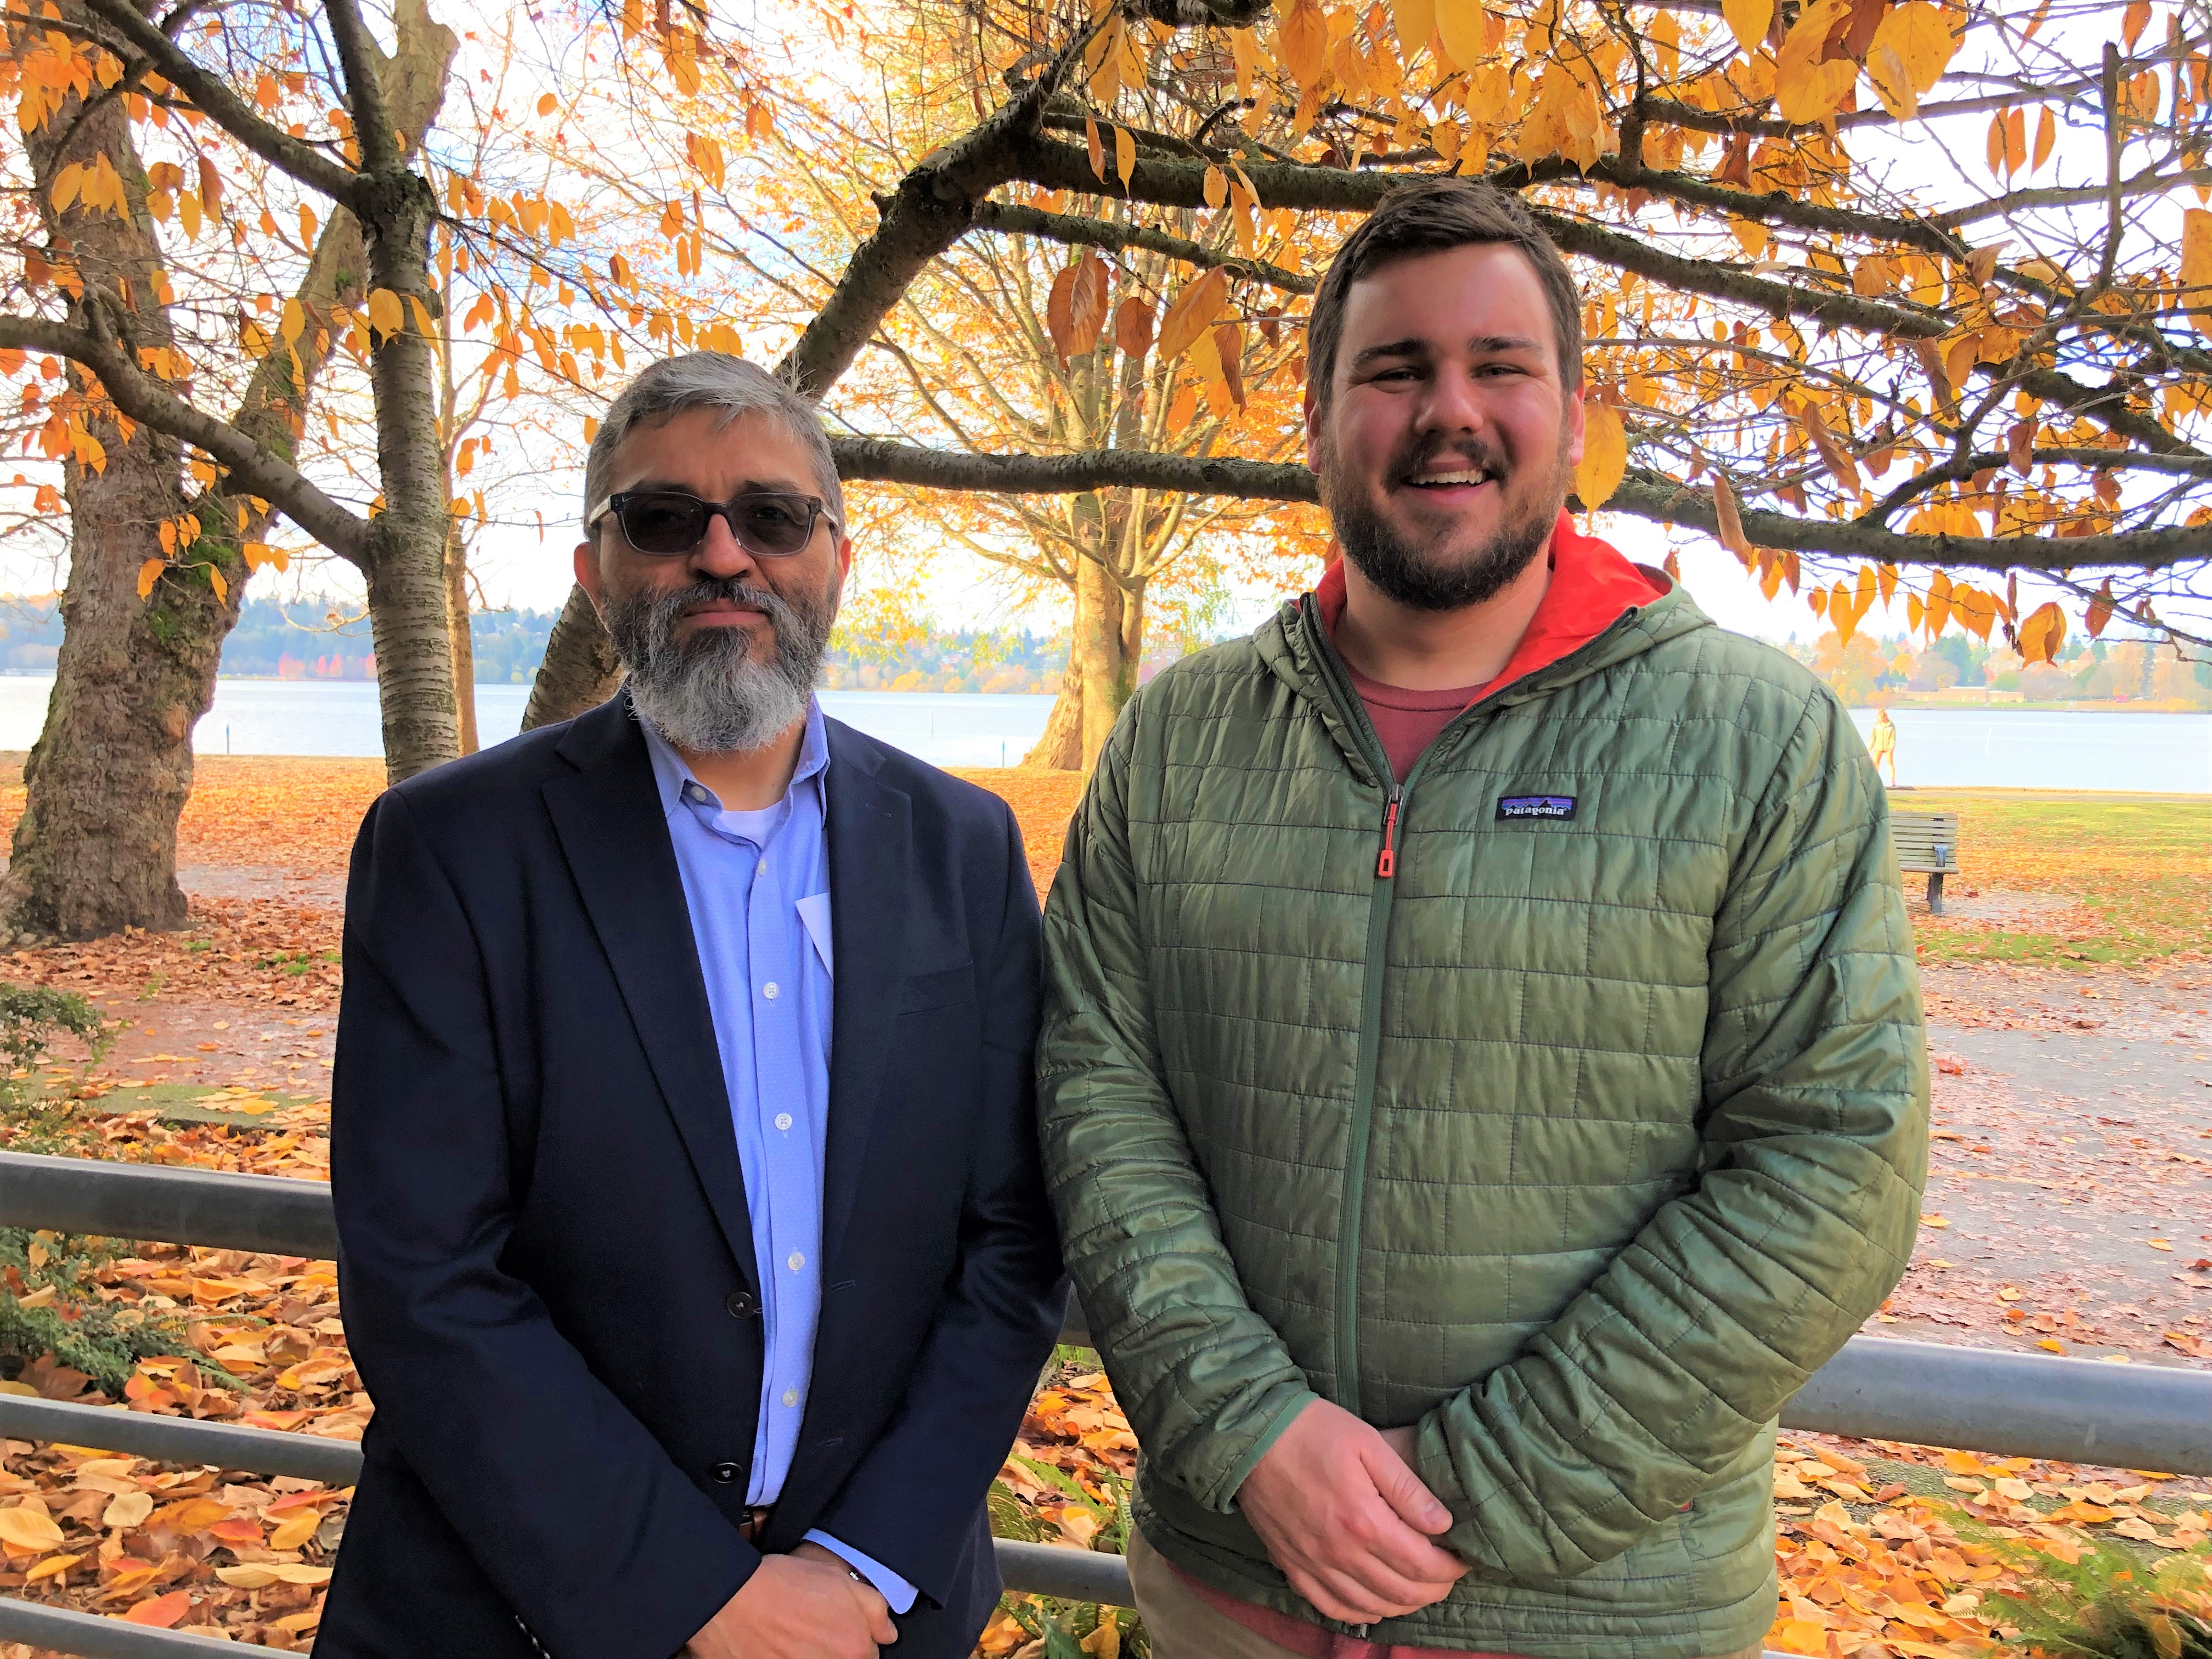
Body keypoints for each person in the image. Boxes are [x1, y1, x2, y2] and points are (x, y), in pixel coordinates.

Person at [1037, 179, 1928, 1659]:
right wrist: (1251, 1432)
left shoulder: (1756, 738)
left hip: (1594, 1611)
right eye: (1394, 371)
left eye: (1499, 366)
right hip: (1229, 1590)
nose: (1448, 410)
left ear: (1574, 418)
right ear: (1317, 425)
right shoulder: (1179, 738)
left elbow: (1836, 1165)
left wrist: (1449, 1509)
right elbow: (1094, 1092)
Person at [323, 351, 1065, 1659]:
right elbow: (424, 1274)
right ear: (594, 566)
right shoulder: (450, 850)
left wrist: (863, 1563)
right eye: (667, 519)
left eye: (772, 517)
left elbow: (1013, 1243)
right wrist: (696, 1594)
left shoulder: (964, 847)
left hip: (869, 1614)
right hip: (515, 1609)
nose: (724, 555)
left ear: (836, 556)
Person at [1868, 706, 1899, 785]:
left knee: (1890, 763)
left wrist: (1891, 748)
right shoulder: (1876, 726)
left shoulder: (1891, 726)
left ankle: (1893, 781)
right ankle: (1875, 781)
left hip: (1888, 748)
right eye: (1879, 720)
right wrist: (1870, 748)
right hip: (1878, 747)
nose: (1881, 721)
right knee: (1875, 764)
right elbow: (1873, 737)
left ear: (1885, 717)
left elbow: (1893, 738)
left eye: (1882, 719)